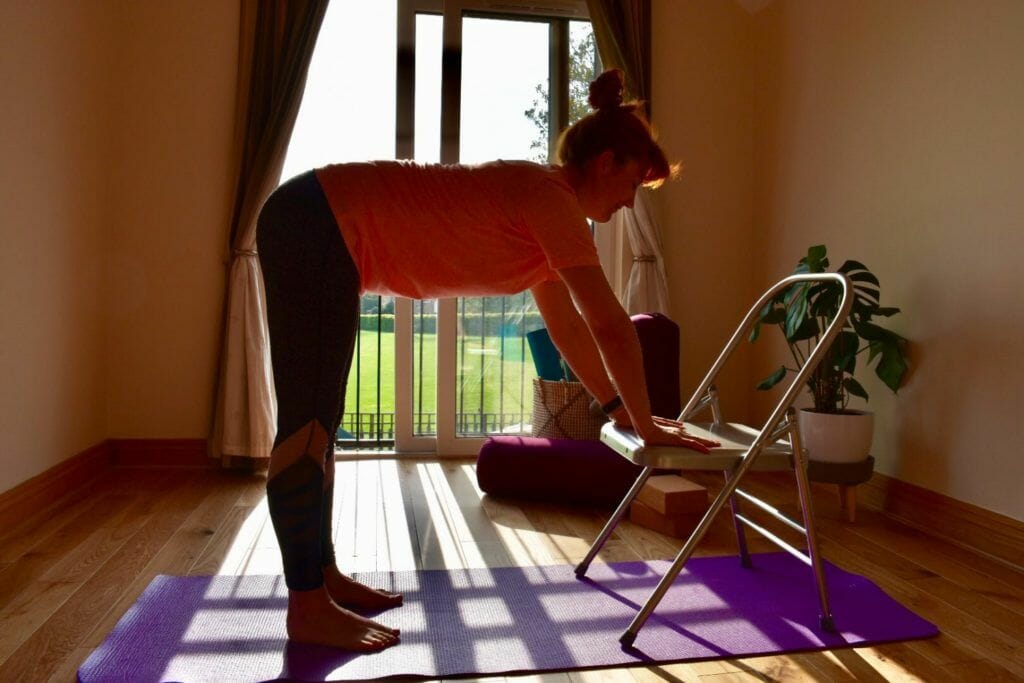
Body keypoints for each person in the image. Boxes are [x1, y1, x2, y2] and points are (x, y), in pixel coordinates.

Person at [255, 68, 720, 652]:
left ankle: (321, 579)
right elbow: (610, 326)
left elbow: (568, 325)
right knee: (307, 427)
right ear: (605, 164)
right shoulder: (550, 200)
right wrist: (646, 420)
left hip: (324, 227)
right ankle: (306, 609)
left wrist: (613, 407)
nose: (629, 202)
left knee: (321, 421)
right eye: (631, 185)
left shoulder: (549, 211)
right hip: (315, 221)